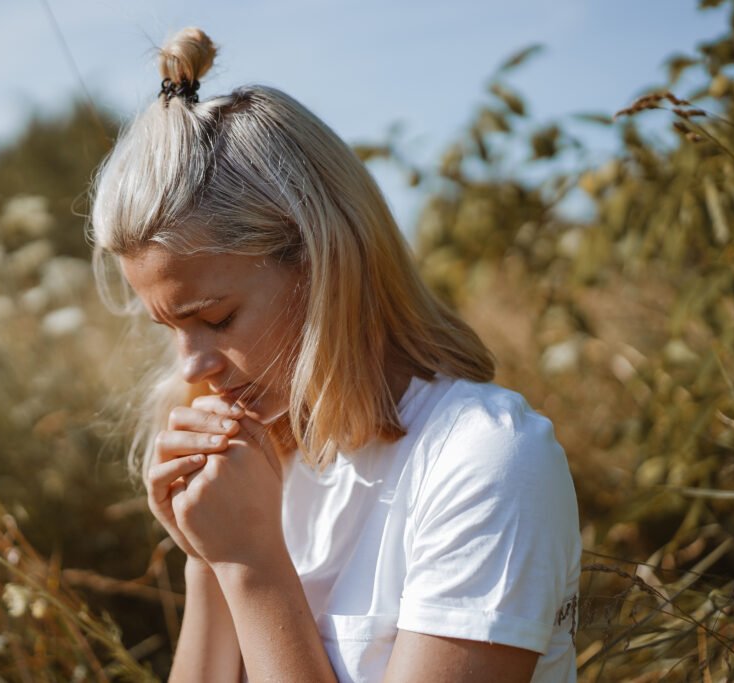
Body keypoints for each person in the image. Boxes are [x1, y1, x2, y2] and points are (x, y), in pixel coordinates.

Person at [89, 26, 581, 683]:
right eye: (168, 329)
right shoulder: (256, 464)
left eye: (215, 318)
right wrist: (207, 560)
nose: (190, 365)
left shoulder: (484, 462)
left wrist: (254, 568)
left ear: (325, 262)